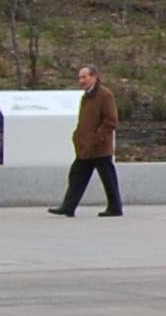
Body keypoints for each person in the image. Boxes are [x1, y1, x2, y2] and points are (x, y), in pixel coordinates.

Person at [52, 63, 123, 219]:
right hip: (86, 148)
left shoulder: (105, 95)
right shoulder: (86, 97)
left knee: (108, 179)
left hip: (99, 148)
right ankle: (68, 207)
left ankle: (115, 207)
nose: (81, 80)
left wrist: (97, 139)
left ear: (94, 77)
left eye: (84, 77)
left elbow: (111, 121)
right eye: (80, 77)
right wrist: (77, 136)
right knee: (76, 175)